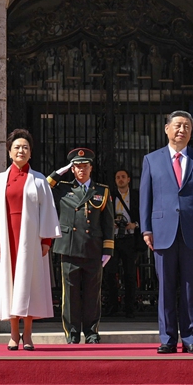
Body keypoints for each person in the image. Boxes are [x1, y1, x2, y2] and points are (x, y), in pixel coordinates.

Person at [140, 110, 193, 354]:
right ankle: (167, 338)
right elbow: (146, 196)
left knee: (190, 288)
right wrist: (146, 228)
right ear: (167, 129)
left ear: (191, 131)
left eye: (186, 126)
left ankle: (190, 338)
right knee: (165, 287)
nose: (181, 130)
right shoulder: (151, 160)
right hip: (162, 231)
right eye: (177, 125)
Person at [0, 129, 60, 351]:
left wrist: (47, 240)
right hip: (8, 238)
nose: (21, 150)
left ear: (30, 153)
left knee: (30, 284)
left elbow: (48, 211)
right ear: (9, 152)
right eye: (17, 147)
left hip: (32, 239)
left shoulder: (40, 180)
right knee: (10, 285)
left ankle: (28, 334)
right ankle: (13, 334)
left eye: (25, 147)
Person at [47, 147, 114, 344]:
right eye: (77, 167)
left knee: (93, 294)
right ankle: (73, 333)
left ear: (91, 168)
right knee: (71, 295)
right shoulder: (63, 189)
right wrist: (59, 172)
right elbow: (42, 187)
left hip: (93, 248)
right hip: (68, 247)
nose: (81, 170)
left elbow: (108, 223)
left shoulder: (101, 191)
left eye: (85, 166)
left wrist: (108, 249)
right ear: (72, 169)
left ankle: (92, 332)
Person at [105, 168, 142, 318]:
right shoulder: (110, 196)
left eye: (123, 177)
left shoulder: (136, 196)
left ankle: (130, 308)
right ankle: (112, 306)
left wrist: (136, 224)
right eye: (117, 177)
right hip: (113, 239)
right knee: (110, 273)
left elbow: (145, 213)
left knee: (130, 274)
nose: (120, 179)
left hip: (130, 238)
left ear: (128, 180)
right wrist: (111, 223)